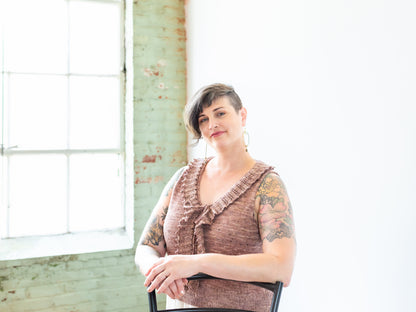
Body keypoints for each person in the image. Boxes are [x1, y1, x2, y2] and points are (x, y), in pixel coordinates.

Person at [135, 83, 296, 311]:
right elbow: (145, 247)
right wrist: (160, 270)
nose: (212, 124)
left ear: (242, 115)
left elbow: (281, 267)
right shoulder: (182, 177)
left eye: (220, 113)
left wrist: (197, 263)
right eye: (203, 119)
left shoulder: (267, 185)